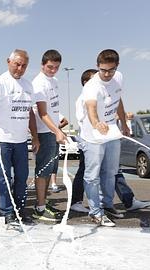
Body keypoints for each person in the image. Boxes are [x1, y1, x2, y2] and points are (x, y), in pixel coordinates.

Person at [72, 69, 150, 213]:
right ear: (86, 83)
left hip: (107, 139)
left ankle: (118, 202)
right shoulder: (83, 99)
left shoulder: (104, 93)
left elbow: (114, 105)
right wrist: (98, 124)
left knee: (112, 171)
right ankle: (88, 205)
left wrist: (121, 120)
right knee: (89, 173)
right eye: (94, 78)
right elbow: (89, 118)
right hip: (90, 142)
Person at [0, 49, 39, 225]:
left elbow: (29, 112)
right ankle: (7, 211)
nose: (20, 69)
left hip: (21, 141)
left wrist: (35, 137)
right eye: (17, 64)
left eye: (24, 66)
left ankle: (20, 210)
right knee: (4, 177)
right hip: (2, 139)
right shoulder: (0, 82)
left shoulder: (28, 86)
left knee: (22, 176)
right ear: (8, 62)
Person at [78, 49, 130, 227]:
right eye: (103, 70)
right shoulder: (91, 86)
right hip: (92, 134)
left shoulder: (119, 78)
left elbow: (118, 100)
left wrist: (123, 123)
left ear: (117, 67)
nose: (107, 74)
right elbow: (91, 108)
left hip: (112, 131)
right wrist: (96, 123)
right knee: (92, 175)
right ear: (97, 66)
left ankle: (107, 205)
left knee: (111, 171)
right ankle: (95, 211)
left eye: (111, 70)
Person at [31, 49, 67, 222]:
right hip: (44, 132)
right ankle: (39, 208)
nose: (53, 70)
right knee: (43, 171)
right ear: (42, 65)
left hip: (52, 131)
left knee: (49, 170)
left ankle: (43, 203)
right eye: (50, 67)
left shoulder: (54, 81)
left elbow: (53, 111)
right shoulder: (39, 83)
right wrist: (57, 131)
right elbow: (43, 113)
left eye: (56, 67)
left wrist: (59, 128)